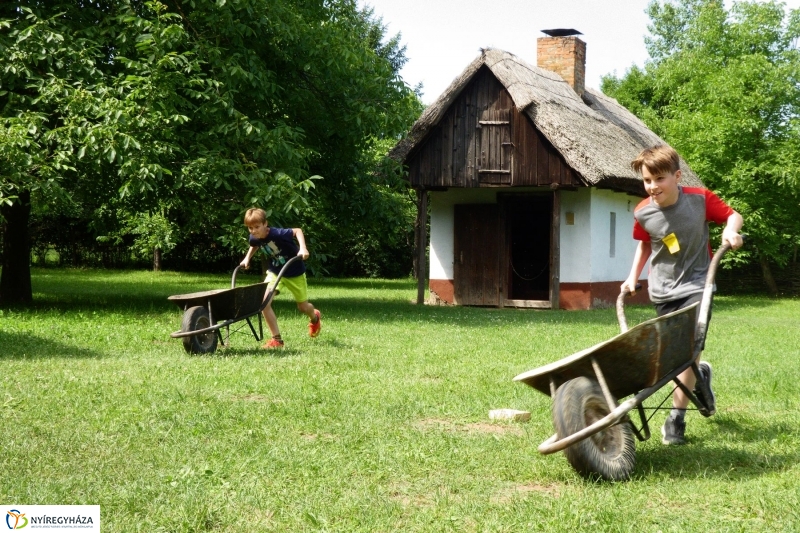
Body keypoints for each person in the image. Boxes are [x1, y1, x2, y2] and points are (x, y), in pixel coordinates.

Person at [621, 145, 743, 445]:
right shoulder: (643, 211)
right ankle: (700, 375)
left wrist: (730, 231)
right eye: (647, 180)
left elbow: (733, 215)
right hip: (663, 291)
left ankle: (676, 418)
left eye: (659, 179)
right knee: (675, 356)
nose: (653, 186)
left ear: (677, 176)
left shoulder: (699, 200)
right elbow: (645, 244)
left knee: (688, 349)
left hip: (699, 284)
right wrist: (632, 276)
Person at [240, 208, 321, 349]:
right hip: (275, 272)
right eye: (250, 228)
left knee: (303, 307)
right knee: (264, 302)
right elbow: (254, 245)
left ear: (265, 224)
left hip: (294, 273)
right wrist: (247, 258)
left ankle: (314, 317)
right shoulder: (254, 237)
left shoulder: (277, 234)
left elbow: (297, 231)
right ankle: (276, 340)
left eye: (257, 227)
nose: (253, 231)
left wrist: (302, 248)